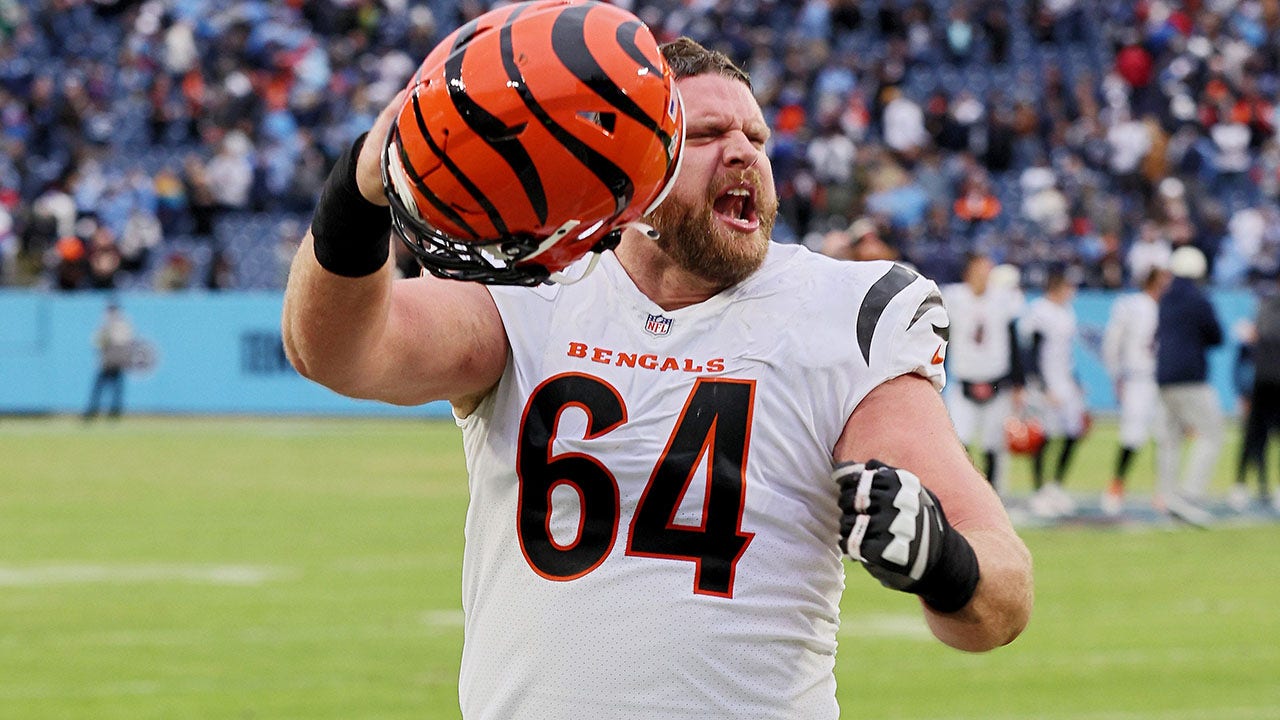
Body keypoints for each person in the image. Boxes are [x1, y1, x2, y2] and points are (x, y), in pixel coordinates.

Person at [282, 16, 1032, 719]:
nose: (743, 152)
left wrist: (944, 563)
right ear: (629, 163)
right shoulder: (536, 288)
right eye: (706, 133)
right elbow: (336, 351)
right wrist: (359, 188)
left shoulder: (845, 309)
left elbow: (1003, 600)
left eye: (757, 137)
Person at [940, 253, 1026, 493]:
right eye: (980, 270)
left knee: (994, 444)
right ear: (968, 272)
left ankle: (993, 495)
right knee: (960, 441)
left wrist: (1019, 383)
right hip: (964, 382)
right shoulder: (953, 298)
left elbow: (1013, 340)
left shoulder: (1003, 300)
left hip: (997, 382)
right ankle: (961, 493)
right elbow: (942, 340)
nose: (985, 275)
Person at [1154, 245, 1223, 526]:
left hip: (1164, 374)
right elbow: (1216, 335)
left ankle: (1168, 495)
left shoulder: (1165, 299)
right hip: (1190, 375)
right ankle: (1189, 496)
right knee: (1211, 433)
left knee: (1171, 437)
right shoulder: (1198, 299)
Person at [1099, 268, 1168, 516]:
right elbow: (1113, 341)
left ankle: (1164, 492)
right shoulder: (1132, 305)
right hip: (1138, 378)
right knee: (1132, 436)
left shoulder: (1170, 307)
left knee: (1165, 437)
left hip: (1163, 380)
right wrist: (1116, 374)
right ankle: (1116, 487)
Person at [1021, 268, 1086, 518]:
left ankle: (1055, 485)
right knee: (1043, 436)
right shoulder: (1039, 311)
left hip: (1065, 381)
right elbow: (1031, 351)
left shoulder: (1067, 313)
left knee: (1073, 432)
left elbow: (1066, 355)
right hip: (1046, 383)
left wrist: (1075, 380)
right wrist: (1042, 386)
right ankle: (1038, 490)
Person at [1230, 277, 1280, 513]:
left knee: (1254, 436)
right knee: (1255, 436)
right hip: (1265, 383)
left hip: (1263, 383)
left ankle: (1243, 485)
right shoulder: (1266, 311)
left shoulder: (1263, 311)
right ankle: (1246, 485)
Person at [83, 301, 134, 421]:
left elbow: (101, 342)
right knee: (104, 389)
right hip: (110, 362)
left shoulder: (118, 325)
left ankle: (108, 413)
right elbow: (97, 342)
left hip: (111, 362)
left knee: (108, 389)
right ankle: (97, 413)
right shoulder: (116, 325)